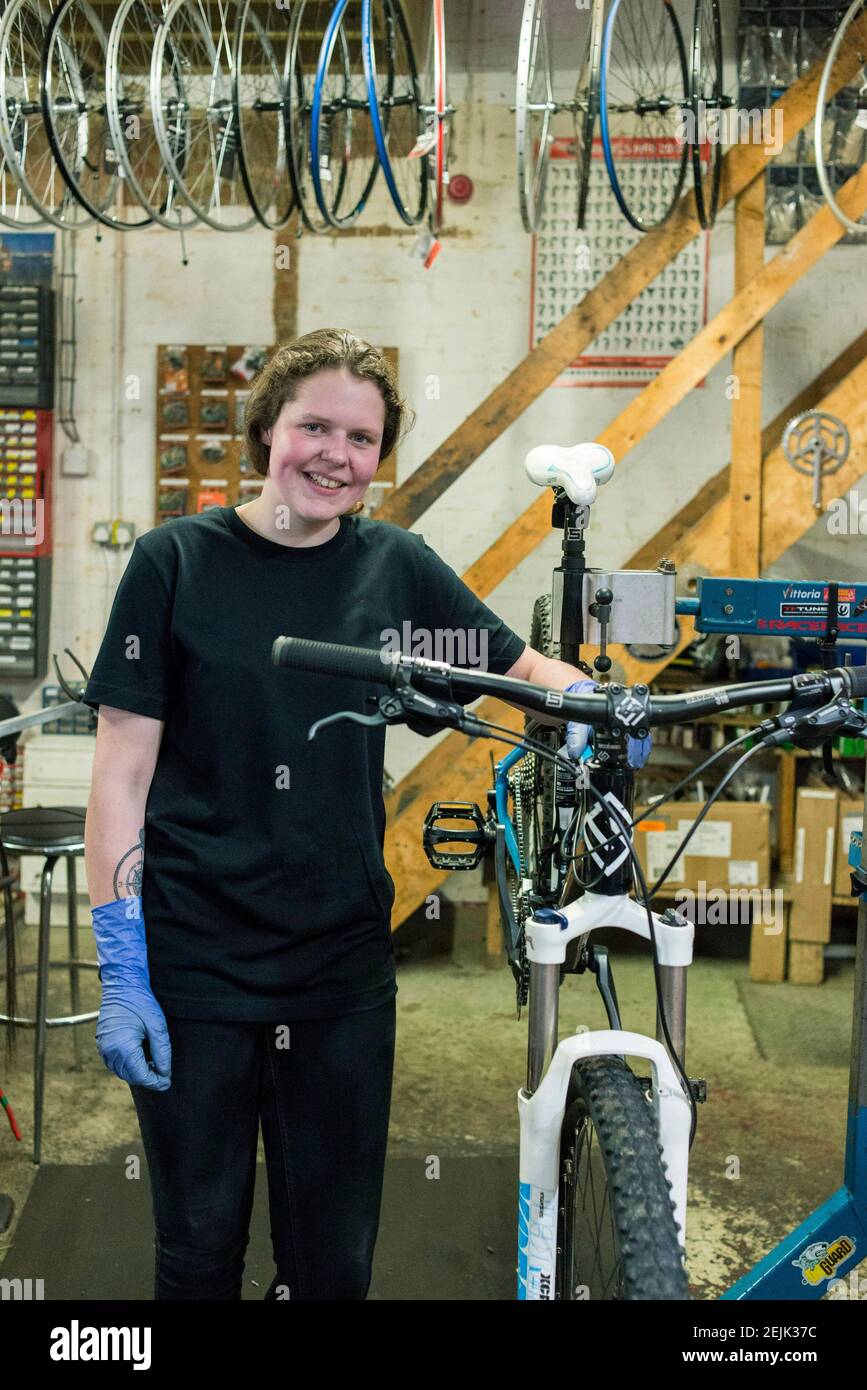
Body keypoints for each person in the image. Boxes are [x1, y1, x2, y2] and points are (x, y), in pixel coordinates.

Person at [82, 328, 597, 1301]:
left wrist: (598, 706)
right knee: (196, 1256)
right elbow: (119, 774)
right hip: (196, 964)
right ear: (265, 427)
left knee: (332, 1266)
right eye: (314, 425)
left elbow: (520, 671)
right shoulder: (174, 563)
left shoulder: (392, 568)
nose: (336, 454)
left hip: (340, 967)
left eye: (361, 439)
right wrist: (122, 964)